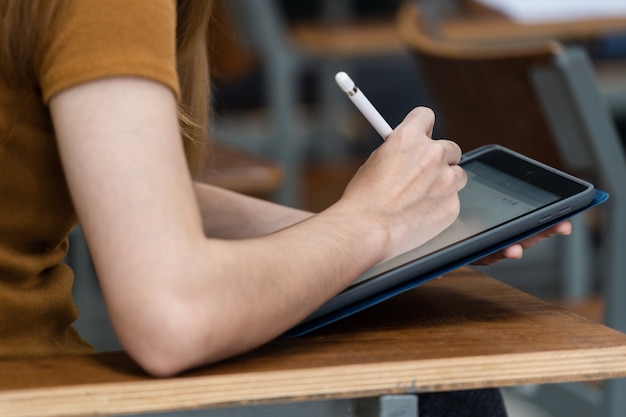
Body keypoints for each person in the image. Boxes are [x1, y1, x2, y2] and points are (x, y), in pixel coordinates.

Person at [0, 1, 571, 415]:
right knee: (452, 383)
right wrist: (369, 223)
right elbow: (172, 317)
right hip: (32, 385)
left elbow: (119, 190)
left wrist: (390, 232)